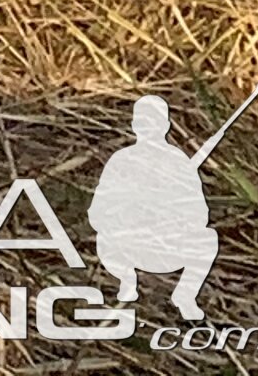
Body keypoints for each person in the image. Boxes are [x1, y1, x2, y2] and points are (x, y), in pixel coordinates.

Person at [89, 94, 219, 320]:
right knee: (104, 239)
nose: (148, 128)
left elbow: (200, 215)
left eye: (154, 122)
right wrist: (129, 212)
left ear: (166, 125)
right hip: (127, 246)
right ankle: (127, 282)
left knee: (208, 239)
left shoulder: (178, 162)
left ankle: (185, 295)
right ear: (134, 125)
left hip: (168, 246)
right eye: (143, 122)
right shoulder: (121, 161)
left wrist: (171, 212)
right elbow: (98, 212)